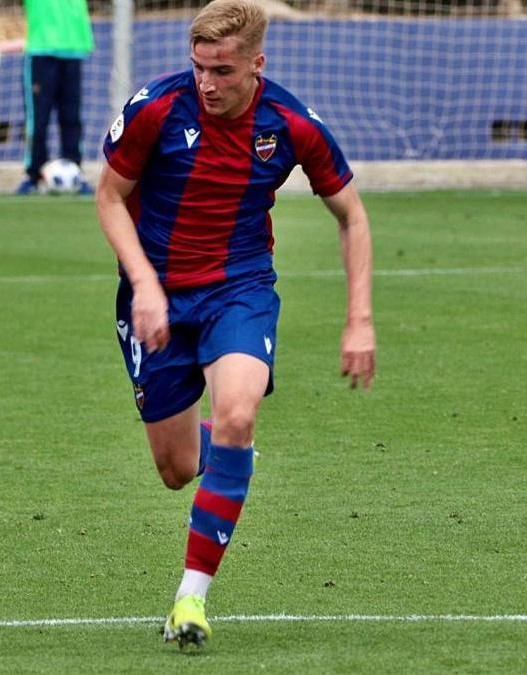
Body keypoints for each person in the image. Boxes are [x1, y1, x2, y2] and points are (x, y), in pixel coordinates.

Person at [95, 0, 375, 649]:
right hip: (155, 293)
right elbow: (108, 195)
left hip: (239, 289)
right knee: (174, 467)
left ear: (257, 64)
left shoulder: (292, 124)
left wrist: (358, 319)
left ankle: (189, 600)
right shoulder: (156, 109)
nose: (207, 84)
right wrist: (142, 284)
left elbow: (352, 215)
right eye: (198, 68)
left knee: (239, 416)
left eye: (221, 70)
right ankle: (221, 448)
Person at [16, 0, 95, 195]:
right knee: (38, 119)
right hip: (41, 50)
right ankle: (34, 175)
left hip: (73, 49)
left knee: (72, 117)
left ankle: (75, 171)